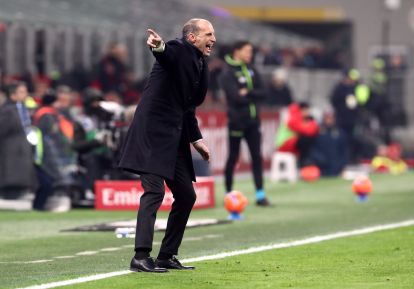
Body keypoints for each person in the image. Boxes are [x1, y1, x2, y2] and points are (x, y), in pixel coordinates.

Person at [118, 18, 215, 273]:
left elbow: (188, 106)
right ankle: (140, 256)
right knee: (154, 192)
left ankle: (166, 256)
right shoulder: (179, 49)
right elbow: (166, 54)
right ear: (192, 37)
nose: (213, 39)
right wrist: (158, 46)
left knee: (186, 195)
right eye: (208, 33)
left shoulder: (201, 63)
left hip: (174, 136)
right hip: (152, 133)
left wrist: (197, 140)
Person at [219, 40, 271, 206]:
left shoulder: (252, 69)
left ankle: (260, 195)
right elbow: (235, 97)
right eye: (247, 51)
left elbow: (264, 92)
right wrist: (250, 95)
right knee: (233, 157)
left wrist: (247, 91)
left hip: (253, 122)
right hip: (236, 121)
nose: (250, 54)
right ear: (237, 51)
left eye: (251, 51)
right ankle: (228, 194)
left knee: (256, 157)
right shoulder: (227, 73)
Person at [0, 82, 36, 203]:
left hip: (21, 149)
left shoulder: (23, 109)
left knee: (20, 177)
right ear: (13, 95)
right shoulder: (7, 110)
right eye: (21, 92)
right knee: (11, 177)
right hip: (10, 151)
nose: (25, 95)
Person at [275, 102, 319, 167]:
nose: (308, 113)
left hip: (291, 143)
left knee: (311, 139)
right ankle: (303, 161)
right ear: (301, 110)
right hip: (284, 144)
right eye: (306, 110)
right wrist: (312, 124)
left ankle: (306, 160)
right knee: (305, 139)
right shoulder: (292, 118)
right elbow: (307, 131)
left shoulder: (301, 119)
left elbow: (314, 130)